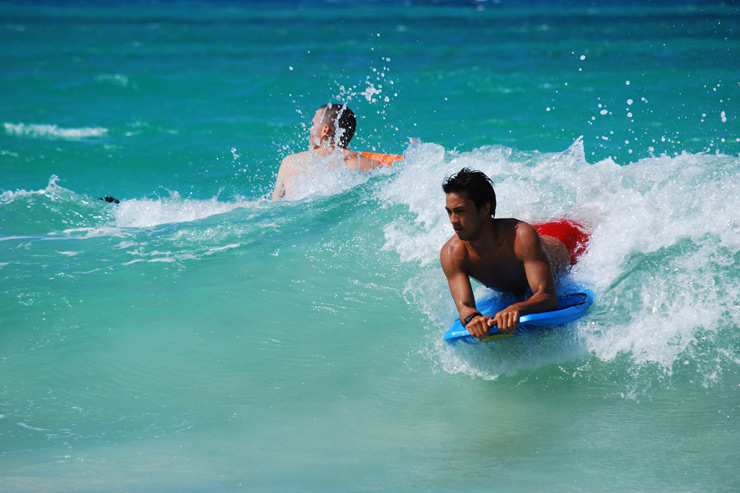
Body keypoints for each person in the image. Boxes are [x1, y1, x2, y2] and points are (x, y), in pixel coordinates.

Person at [440, 168, 589, 339]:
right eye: (449, 212)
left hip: (567, 239)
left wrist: (515, 308)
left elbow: (547, 297)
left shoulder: (521, 237)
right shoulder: (452, 253)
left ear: (484, 208)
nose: (452, 220)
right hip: (531, 242)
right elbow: (464, 307)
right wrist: (473, 319)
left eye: (460, 211)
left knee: (590, 219)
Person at [272, 103, 381, 200]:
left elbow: (275, 208)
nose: (310, 129)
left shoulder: (291, 162)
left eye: (314, 124)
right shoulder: (368, 163)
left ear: (325, 130)